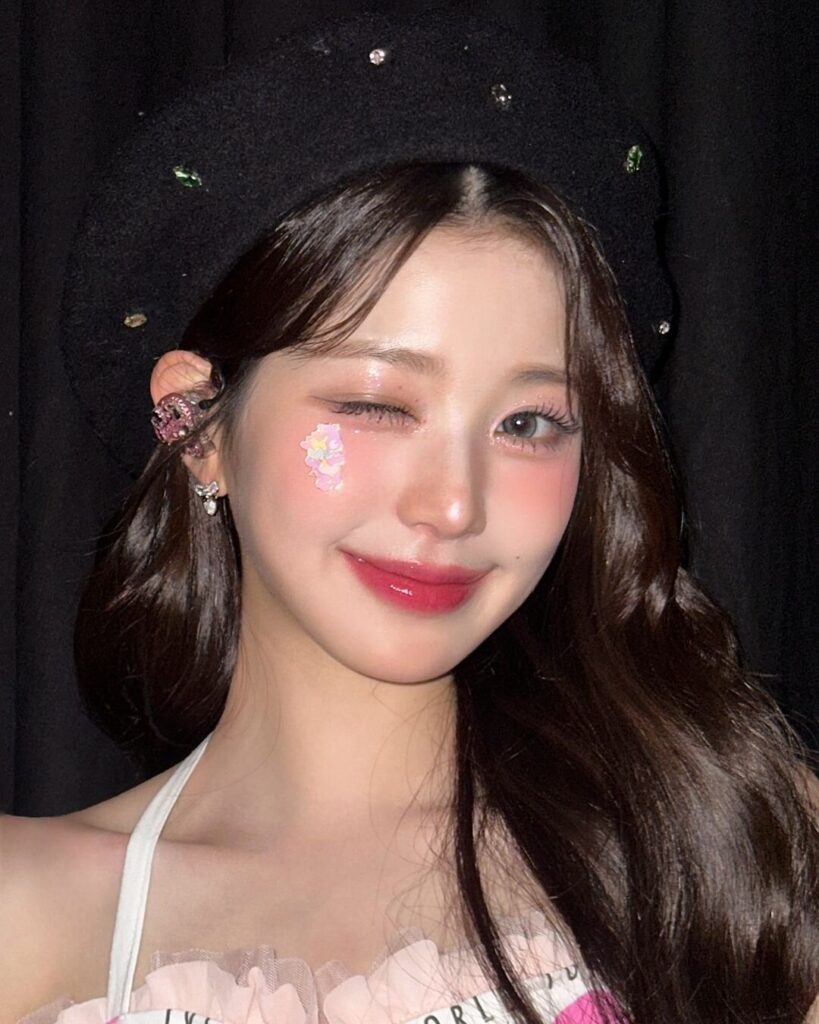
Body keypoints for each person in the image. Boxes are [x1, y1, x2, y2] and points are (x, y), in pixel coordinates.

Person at [3, 10, 817, 1024]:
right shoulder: (27, 912)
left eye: (527, 422)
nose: (454, 504)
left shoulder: (744, 855)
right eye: (377, 405)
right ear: (197, 421)